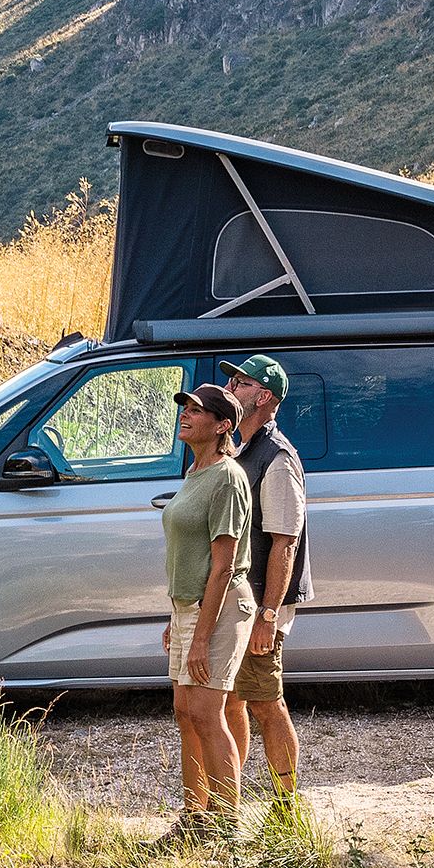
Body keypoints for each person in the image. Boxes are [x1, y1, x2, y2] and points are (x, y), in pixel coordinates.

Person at [159, 381, 255, 839]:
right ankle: (194, 815)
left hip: (218, 608)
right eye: (185, 408)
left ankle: (225, 824)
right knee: (185, 709)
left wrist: (199, 635)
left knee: (207, 710)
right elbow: (187, 553)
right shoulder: (195, 473)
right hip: (187, 608)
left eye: (196, 410)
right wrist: (174, 618)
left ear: (222, 426)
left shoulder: (228, 478)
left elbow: (222, 567)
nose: (186, 414)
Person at [219, 355, 305, 803]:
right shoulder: (239, 449)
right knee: (231, 701)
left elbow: (283, 544)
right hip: (238, 602)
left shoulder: (277, 458)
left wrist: (268, 615)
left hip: (260, 606)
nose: (231, 386)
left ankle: (287, 811)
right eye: (231, 378)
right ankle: (228, 805)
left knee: (266, 703)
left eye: (242, 381)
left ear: (264, 397)